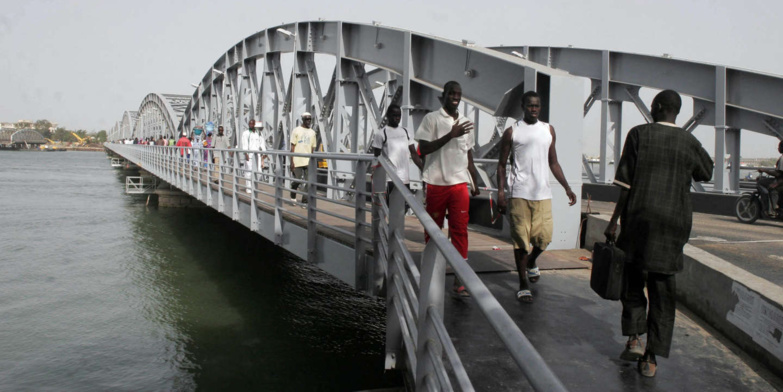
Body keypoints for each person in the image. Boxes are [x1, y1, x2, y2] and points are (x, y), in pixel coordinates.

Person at [604, 90, 713, 378]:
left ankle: (635, 339)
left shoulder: (639, 134)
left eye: (653, 104)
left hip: (639, 222)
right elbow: (707, 172)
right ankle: (651, 359)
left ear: (660, 107)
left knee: (632, 282)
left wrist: (614, 221)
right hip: (672, 228)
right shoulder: (689, 142)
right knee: (663, 293)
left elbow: (625, 185)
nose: (650, 108)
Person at [496, 91, 577, 303]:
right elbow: (502, 165)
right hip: (519, 193)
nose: (534, 109)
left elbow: (553, 162)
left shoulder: (548, 130)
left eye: (537, 105)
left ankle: (532, 261)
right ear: (523, 106)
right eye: (530, 105)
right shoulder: (512, 132)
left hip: (543, 193)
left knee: (544, 238)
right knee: (521, 241)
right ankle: (523, 283)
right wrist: (501, 193)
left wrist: (567, 187)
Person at [415, 81, 480, 297]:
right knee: (433, 232)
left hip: (459, 184)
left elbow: (467, 154)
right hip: (435, 183)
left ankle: (460, 280)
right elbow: (423, 149)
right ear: (443, 95)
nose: (455, 97)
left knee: (460, 230)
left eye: (459, 94)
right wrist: (450, 135)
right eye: (452, 93)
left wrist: (475, 180)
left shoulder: (466, 122)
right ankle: (433, 273)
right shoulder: (431, 119)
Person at [372, 104, 424, 199]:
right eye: (394, 115)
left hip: (405, 178)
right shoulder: (381, 134)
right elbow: (376, 156)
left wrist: (422, 168)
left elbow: (413, 153)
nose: (397, 118)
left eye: (399, 115)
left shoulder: (406, 131)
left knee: (402, 208)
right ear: (388, 116)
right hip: (390, 178)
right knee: (390, 207)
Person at [290, 112, 317, 205]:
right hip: (297, 160)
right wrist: (291, 161)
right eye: (306, 119)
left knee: (309, 182)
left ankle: (304, 201)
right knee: (297, 180)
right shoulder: (296, 130)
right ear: (303, 120)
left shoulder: (313, 133)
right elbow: (292, 147)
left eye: (310, 119)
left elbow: (313, 148)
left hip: (308, 160)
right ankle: (293, 195)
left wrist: (312, 162)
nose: (308, 121)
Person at [757, 140, 783, 216]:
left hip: (781, 182)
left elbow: (778, 173)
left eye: (779, 146)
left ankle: (771, 209)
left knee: (761, 183)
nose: (778, 148)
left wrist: (764, 170)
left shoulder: (782, 158)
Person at [240, 120, 266, 194]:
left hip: (257, 155)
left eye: (252, 124)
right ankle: (248, 187)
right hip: (250, 155)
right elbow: (244, 144)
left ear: (254, 124)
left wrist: (264, 153)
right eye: (250, 123)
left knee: (259, 172)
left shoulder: (259, 133)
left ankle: (254, 185)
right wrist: (246, 154)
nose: (251, 125)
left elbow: (262, 143)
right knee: (248, 172)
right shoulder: (246, 133)